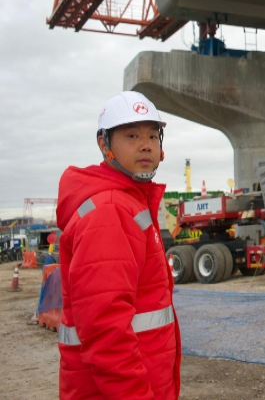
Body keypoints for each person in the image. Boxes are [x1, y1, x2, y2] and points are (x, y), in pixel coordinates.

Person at [56, 91, 181, 399]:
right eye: (132, 135)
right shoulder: (110, 212)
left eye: (153, 135)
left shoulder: (129, 203)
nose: (146, 144)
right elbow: (105, 332)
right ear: (104, 144)